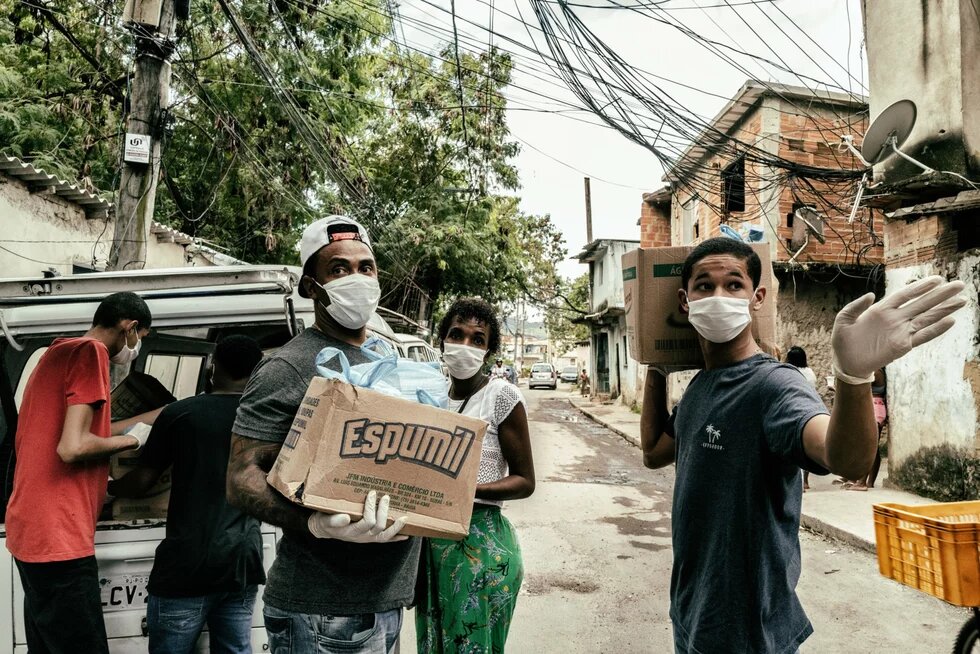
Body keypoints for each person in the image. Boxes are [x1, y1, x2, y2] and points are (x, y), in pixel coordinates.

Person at [639, 237, 964, 654]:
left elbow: (845, 458)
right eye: (705, 286)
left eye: (733, 285)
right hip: (691, 612)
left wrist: (853, 376)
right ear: (686, 302)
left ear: (757, 298)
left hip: (749, 632)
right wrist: (655, 364)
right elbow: (653, 453)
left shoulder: (775, 385)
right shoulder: (700, 389)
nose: (718, 296)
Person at [226, 215, 415, 654]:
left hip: (382, 601)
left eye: (366, 267)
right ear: (312, 287)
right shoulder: (287, 367)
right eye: (339, 269)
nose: (357, 278)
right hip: (322, 609)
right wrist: (314, 523)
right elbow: (240, 478)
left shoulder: (385, 359)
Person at [5, 291, 154, 654]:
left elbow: (78, 432)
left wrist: (142, 422)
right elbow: (72, 447)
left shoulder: (57, 353)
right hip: (59, 538)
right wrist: (133, 442)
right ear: (130, 327)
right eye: (140, 339)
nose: (134, 349)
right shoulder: (92, 353)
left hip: (31, 530)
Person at [108, 335, 266, 654]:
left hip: (187, 565)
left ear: (213, 367)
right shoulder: (266, 419)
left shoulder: (183, 414)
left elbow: (141, 483)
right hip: (242, 562)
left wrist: (109, 488)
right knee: (235, 648)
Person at [416, 297, 535, 653]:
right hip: (432, 548)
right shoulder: (431, 397)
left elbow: (525, 480)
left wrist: (466, 489)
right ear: (442, 341)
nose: (464, 346)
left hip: (481, 547)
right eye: (457, 334)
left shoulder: (501, 396)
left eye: (477, 339)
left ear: (489, 351)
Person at [844, 367, 888, 491]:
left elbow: (861, 386)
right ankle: (869, 482)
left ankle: (862, 482)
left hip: (873, 408)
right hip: (877, 408)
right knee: (873, 447)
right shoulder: (878, 371)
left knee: (867, 447)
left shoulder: (876, 371)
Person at [785, 346, 819, 490]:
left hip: (793, 410)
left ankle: (798, 482)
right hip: (809, 409)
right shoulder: (810, 372)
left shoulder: (790, 372)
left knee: (793, 447)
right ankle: (805, 481)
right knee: (805, 449)